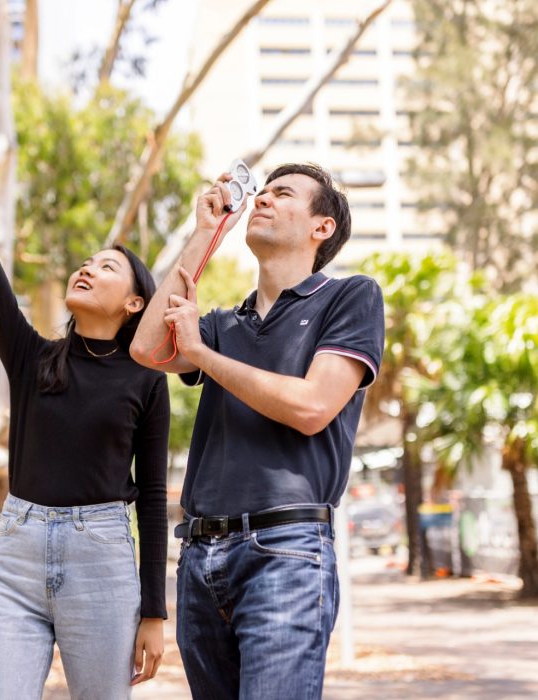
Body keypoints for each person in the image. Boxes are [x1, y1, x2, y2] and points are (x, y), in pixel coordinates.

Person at [0, 61, 169, 699]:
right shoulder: (33, 357)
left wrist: (154, 612)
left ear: (135, 304)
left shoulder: (147, 381)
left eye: (107, 267)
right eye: (86, 262)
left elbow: (154, 497)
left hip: (103, 561)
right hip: (14, 556)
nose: (87, 268)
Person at [131, 162, 385, 699]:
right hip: (200, 558)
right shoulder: (225, 324)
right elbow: (147, 348)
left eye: (282, 193)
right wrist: (205, 233)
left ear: (323, 228)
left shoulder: (350, 297)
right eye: (260, 192)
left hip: (287, 551)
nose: (262, 199)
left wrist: (202, 355)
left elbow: (314, 406)